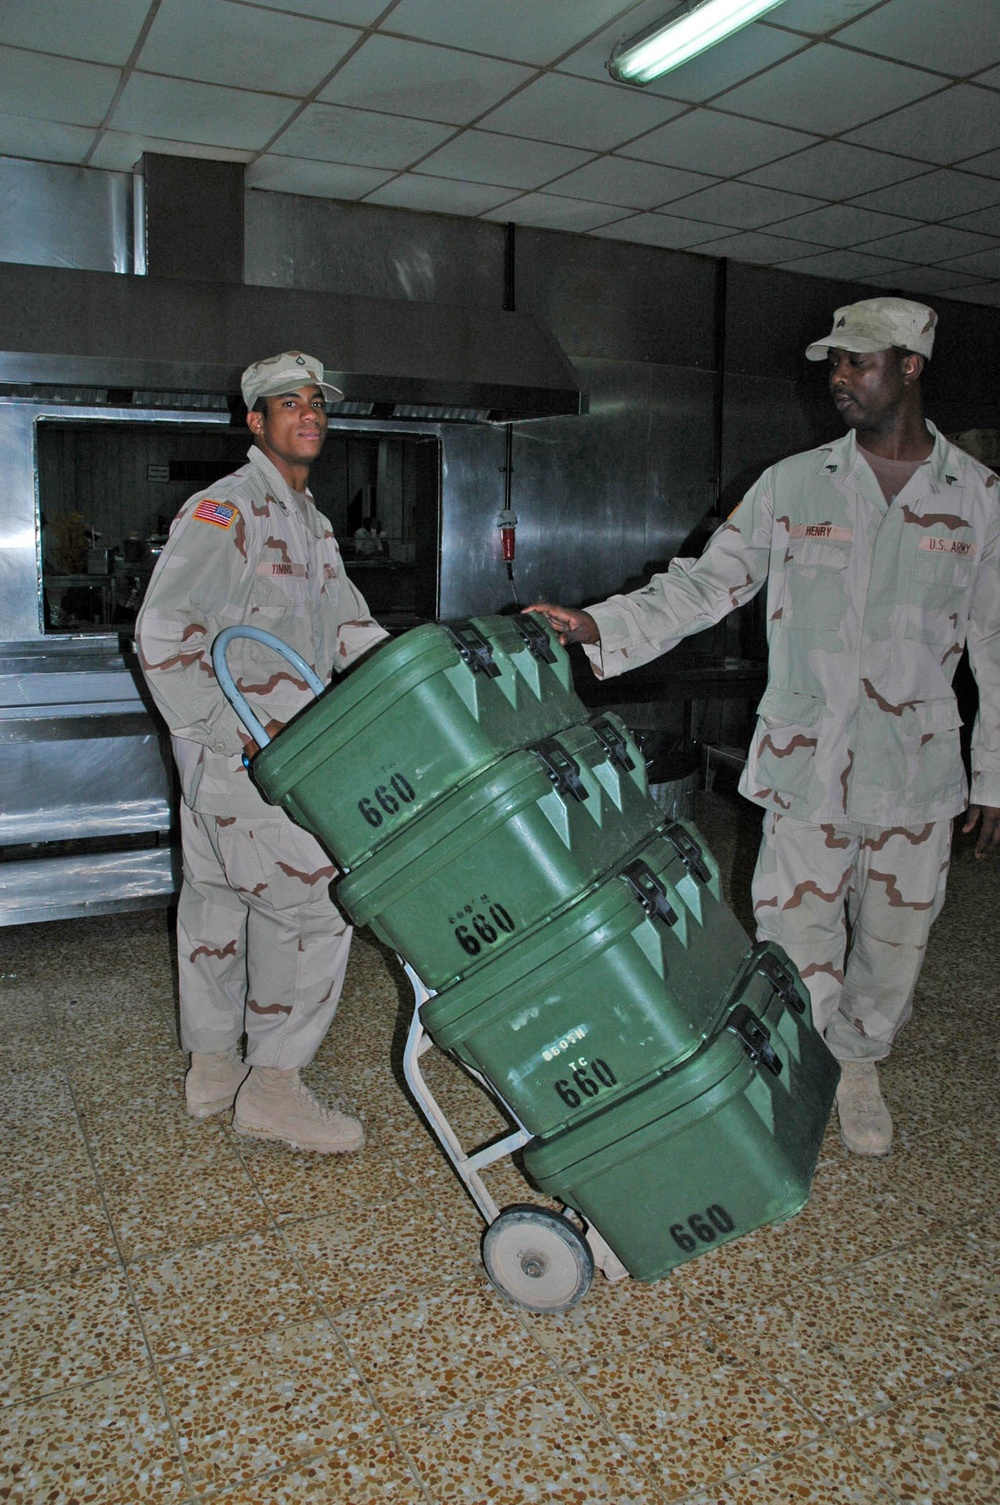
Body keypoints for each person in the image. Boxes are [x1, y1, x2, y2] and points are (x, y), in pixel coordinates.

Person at [528, 297, 1000, 1158]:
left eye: (857, 362)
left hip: (916, 771)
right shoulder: (791, 484)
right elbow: (705, 585)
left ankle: (860, 1061)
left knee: (896, 944)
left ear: (910, 367)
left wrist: (994, 775)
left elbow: (998, 646)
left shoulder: (979, 498)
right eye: (835, 363)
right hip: (806, 761)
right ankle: (812, 1059)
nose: (839, 378)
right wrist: (601, 625)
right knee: (792, 926)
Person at [136, 351, 388, 1153]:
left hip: (235, 766)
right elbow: (162, 633)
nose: (308, 413)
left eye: (317, 402)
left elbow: (348, 628)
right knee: (315, 904)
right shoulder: (229, 511)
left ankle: (212, 1071)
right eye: (288, 402)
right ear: (256, 421)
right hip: (250, 759)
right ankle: (273, 1089)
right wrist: (245, 731)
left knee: (217, 902)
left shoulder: (308, 522)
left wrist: (418, 679)